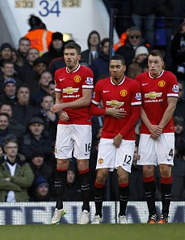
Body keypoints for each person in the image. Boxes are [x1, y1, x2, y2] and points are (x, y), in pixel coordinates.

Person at [88, 55, 142, 224]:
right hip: (107, 137)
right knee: (101, 175)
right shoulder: (101, 84)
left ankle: (123, 215)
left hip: (126, 138)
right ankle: (97, 214)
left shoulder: (133, 85)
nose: (114, 69)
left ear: (124, 68)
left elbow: (136, 114)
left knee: (122, 176)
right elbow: (91, 108)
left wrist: (121, 135)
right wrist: (107, 112)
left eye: (118, 66)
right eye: (112, 67)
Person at [50, 42, 94, 224]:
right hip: (64, 123)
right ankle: (59, 208)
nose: (68, 57)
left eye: (71, 54)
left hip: (82, 123)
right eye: (66, 54)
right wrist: (60, 112)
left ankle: (85, 209)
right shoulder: (59, 74)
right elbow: (57, 99)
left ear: (78, 57)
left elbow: (86, 99)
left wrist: (62, 106)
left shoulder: (86, 73)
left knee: (82, 164)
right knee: (61, 162)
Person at [136, 50, 179, 223]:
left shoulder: (170, 78)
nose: (152, 65)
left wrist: (159, 127)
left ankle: (166, 214)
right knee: (147, 169)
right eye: (150, 62)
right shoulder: (140, 79)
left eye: (156, 62)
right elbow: (138, 106)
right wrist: (150, 126)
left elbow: (172, 105)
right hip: (147, 130)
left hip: (165, 131)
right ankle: (152, 213)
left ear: (162, 64)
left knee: (165, 169)